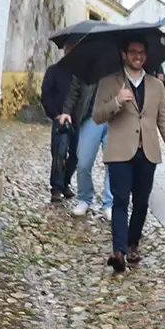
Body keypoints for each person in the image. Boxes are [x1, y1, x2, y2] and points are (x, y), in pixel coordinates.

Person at [92, 37, 165, 273]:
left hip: (148, 151)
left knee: (141, 202)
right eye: (133, 52)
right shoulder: (110, 81)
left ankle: (133, 243)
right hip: (120, 151)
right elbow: (98, 115)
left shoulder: (156, 85)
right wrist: (117, 101)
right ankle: (118, 252)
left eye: (142, 52)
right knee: (120, 200)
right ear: (124, 54)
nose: (138, 56)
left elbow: (163, 118)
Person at [64, 73, 114, 220]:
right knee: (83, 162)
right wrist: (66, 111)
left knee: (113, 163)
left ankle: (109, 202)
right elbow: (74, 90)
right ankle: (84, 198)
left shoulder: (121, 65)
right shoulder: (87, 66)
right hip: (90, 117)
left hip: (115, 118)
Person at [41, 44, 78, 202]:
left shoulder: (81, 74)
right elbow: (46, 93)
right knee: (59, 153)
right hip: (60, 120)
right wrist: (55, 115)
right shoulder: (54, 71)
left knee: (76, 155)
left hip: (77, 120)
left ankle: (65, 182)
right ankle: (56, 187)